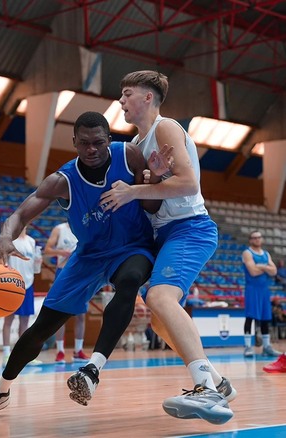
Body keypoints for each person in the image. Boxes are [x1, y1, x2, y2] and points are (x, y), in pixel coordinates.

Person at [0, 111, 170, 420]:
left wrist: (154, 179)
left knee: (129, 282)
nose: (92, 150)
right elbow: (20, 214)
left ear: (109, 140)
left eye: (99, 143)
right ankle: (1, 389)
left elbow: (152, 204)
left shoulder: (129, 156)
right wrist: (5, 236)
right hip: (88, 255)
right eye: (85, 143)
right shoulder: (62, 180)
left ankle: (92, 370)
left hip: (133, 247)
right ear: (74, 142)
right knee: (41, 328)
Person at [81, 70, 236, 425]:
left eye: (127, 93)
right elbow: (161, 192)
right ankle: (217, 382)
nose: (121, 101)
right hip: (164, 233)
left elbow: (188, 184)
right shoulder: (137, 145)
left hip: (189, 228)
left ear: (147, 98)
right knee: (161, 320)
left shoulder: (164, 128)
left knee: (159, 299)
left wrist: (133, 190)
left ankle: (205, 388)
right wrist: (152, 180)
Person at [44, 221, 89, 363]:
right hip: (63, 271)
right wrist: (61, 252)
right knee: (60, 314)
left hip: (81, 273)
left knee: (81, 315)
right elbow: (47, 249)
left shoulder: (84, 227)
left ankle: (78, 350)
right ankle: (60, 351)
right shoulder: (59, 229)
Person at [2, 226, 43, 367]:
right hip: (12, 284)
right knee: (8, 319)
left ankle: (22, 355)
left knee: (25, 321)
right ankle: (6, 354)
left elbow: (36, 268)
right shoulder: (10, 240)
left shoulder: (32, 241)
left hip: (28, 284)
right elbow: (3, 262)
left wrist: (39, 261)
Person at [242, 230, 280, 358]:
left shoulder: (266, 254)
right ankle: (248, 347)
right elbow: (252, 271)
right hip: (252, 289)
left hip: (264, 289)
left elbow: (274, 271)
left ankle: (267, 346)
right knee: (250, 317)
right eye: (254, 238)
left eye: (259, 237)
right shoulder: (247, 253)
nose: (257, 239)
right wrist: (266, 268)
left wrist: (261, 266)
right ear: (250, 240)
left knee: (265, 318)